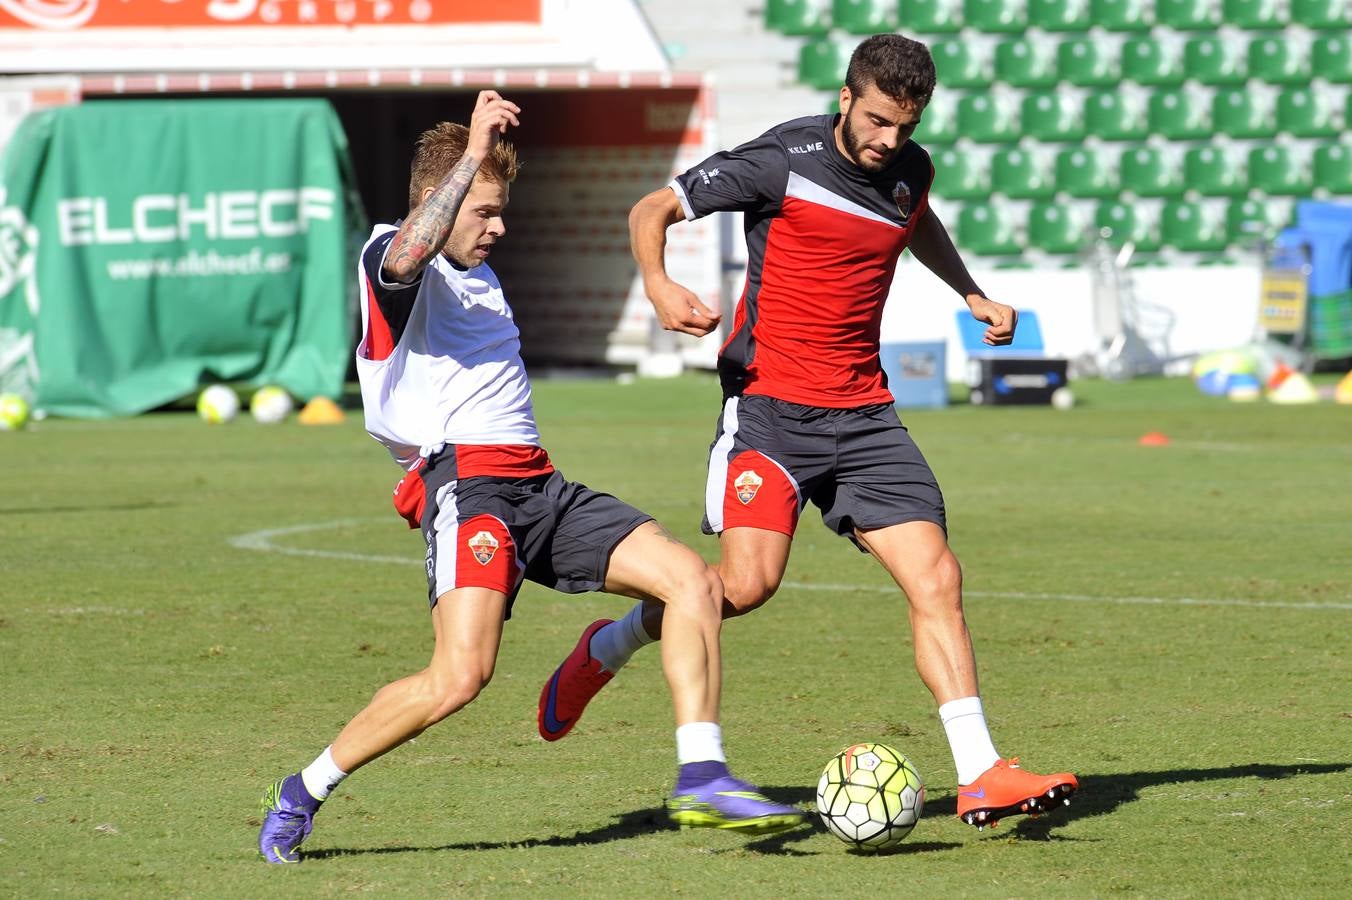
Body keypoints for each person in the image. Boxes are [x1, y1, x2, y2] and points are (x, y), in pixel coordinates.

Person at [537, 35, 1078, 830]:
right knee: (745, 587)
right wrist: (658, 284)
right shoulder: (780, 160)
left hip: (866, 418)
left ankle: (980, 773)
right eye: (881, 121)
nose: (890, 141)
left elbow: (913, 220)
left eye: (907, 125)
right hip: (770, 413)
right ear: (847, 95)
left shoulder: (910, 170)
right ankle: (607, 647)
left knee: (938, 579)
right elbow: (651, 207)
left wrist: (971, 292)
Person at [256, 90, 804, 865]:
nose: (499, 226)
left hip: (540, 486)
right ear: (442, 199)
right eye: (484, 210)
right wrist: (472, 156)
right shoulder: (390, 254)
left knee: (694, 582)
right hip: (468, 489)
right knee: (459, 676)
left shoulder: (482, 278)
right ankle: (304, 790)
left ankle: (698, 769)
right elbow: (412, 252)